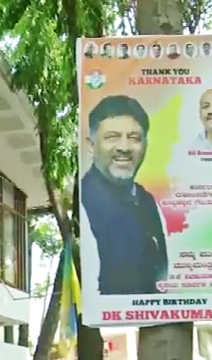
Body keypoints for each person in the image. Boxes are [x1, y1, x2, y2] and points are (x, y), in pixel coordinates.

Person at [81, 95, 168, 295]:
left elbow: (161, 270)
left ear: (146, 144)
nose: (124, 148)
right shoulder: (85, 201)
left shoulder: (145, 199)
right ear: (91, 146)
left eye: (134, 138)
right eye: (112, 137)